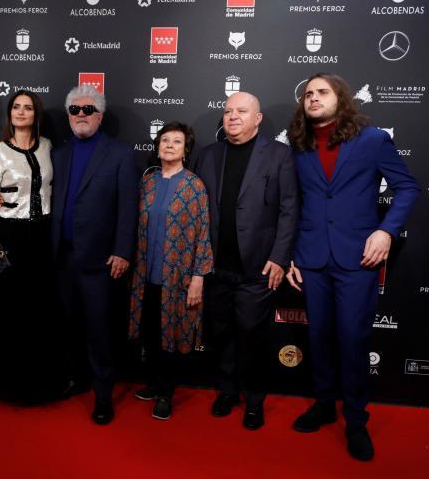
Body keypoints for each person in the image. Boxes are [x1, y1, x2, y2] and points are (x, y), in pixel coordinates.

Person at [286, 73, 419, 461]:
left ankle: (356, 420)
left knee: (352, 339)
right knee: (319, 338)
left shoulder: (373, 139)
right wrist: (291, 253)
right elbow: (293, 203)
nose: (313, 98)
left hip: (357, 257)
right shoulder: (299, 146)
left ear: (340, 98)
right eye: (308, 94)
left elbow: (408, 188)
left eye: (322, 92)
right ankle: (325, 406)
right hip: (311, 256)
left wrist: (386, 233)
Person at [193, 91, 298, 430]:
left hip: (257, 270)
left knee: (252, 338)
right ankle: (226, 392)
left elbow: (289, 211)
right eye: (227, 111)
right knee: (220, 334)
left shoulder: (279, 156)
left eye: (241, 111)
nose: (233, 116)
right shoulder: (208, 155)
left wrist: (280, 258)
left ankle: (254, 401)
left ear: (258, 118)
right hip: (215, 268)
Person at [51, 84, 139, 424]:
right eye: (75, 110)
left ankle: (103, 395)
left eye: (88, 110)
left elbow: (128, 208)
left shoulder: (119, 154)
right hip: (62, 259)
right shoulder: (58, 154)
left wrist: (122, 251)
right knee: (68, 326)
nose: (81, 115)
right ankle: (75, 379)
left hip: (101, 262)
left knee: (100, 332)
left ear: (99, 116)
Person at [0, 90, 65, 403]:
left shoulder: (49, 147)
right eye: (16, 107)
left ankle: (39, 380)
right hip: (9, 236)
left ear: (36, 114)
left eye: (28, 108)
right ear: (9, 113)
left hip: (42, 236)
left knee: (38, 308)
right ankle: (5, 381)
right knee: (9, 309)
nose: (22, 112)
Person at [128, 121, 213, 420]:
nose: (169, 145)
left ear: (185, 150)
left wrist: (198, 278)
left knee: (171, 335)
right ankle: (152, 382)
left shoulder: (194, 186)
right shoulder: (147, 182)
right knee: (150, 332)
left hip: (177, 277)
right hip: (144, 274)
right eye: (165, 140)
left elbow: (203, 233)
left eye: (176, 141)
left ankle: (166, 392)